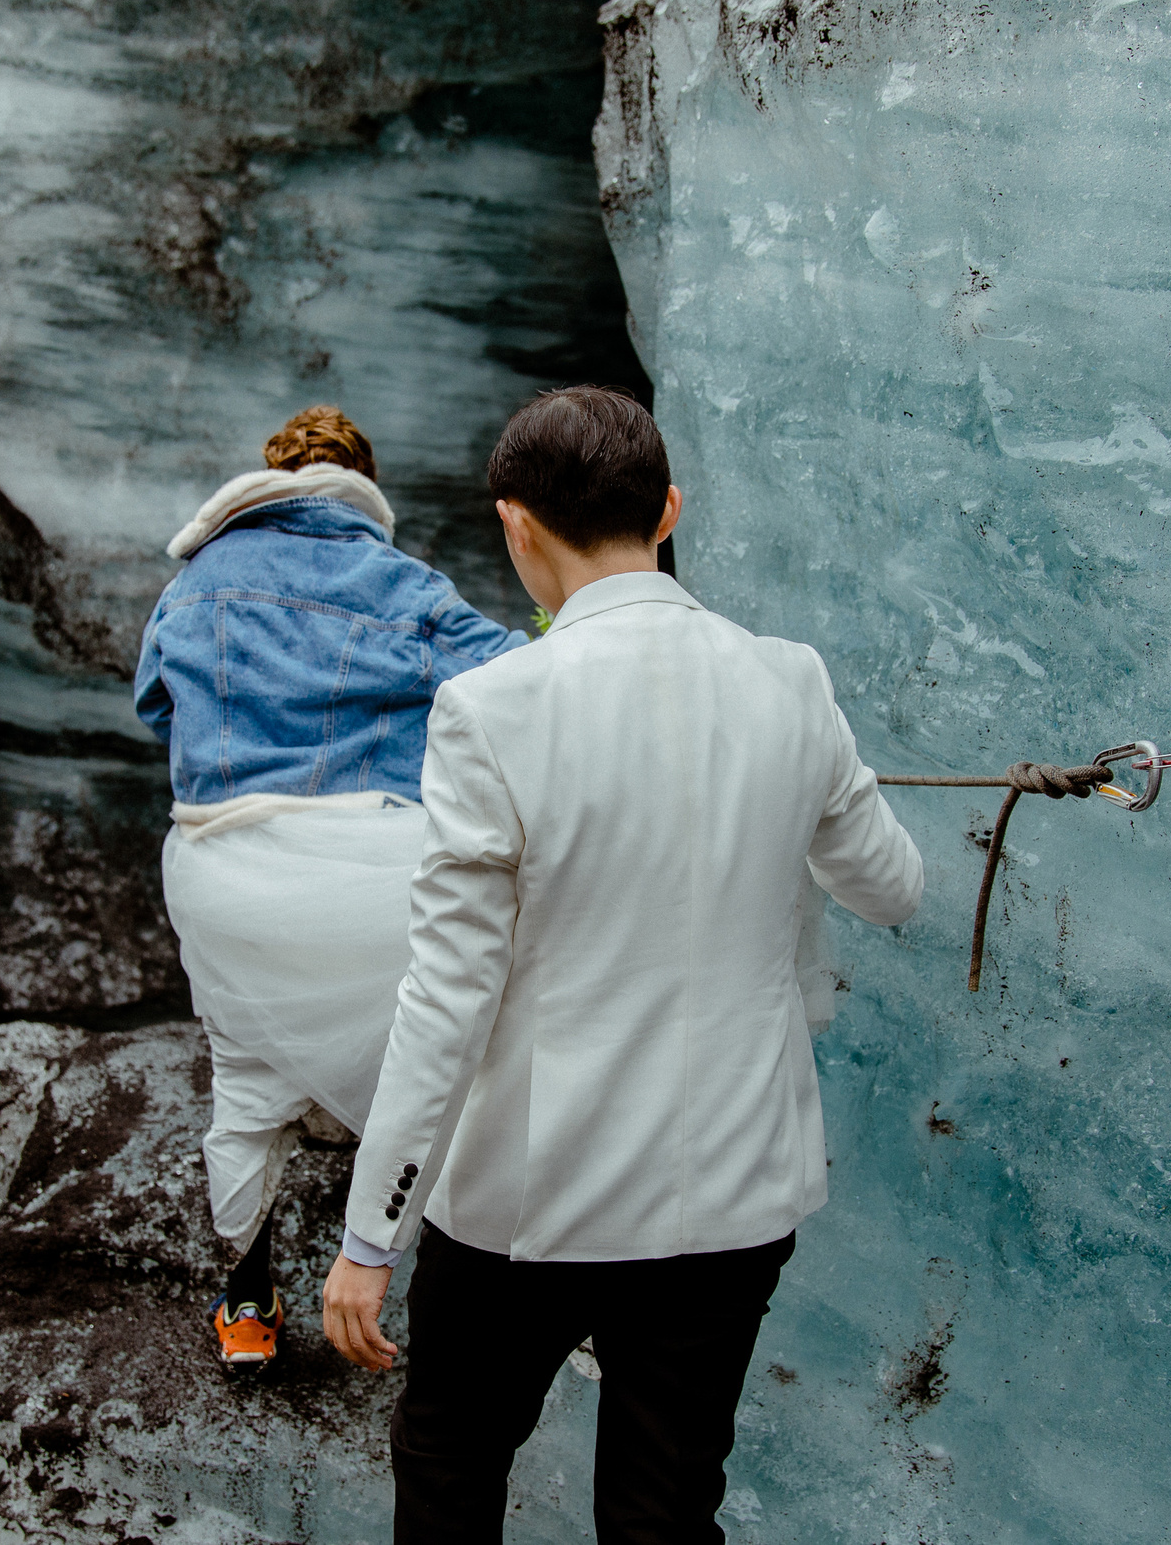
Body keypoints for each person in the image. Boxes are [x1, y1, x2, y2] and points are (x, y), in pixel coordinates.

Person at [320, 386, 925, 1542]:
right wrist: (815, 782)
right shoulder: (791, 681)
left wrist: (369, 1240)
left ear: (516, 526)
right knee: (663, 1506)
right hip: (729, 1197)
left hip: (532, 1204)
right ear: (669, 511)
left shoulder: (488, 710)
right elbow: (890, 889)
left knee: (449, 1460)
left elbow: (445, 1001)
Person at [135, 404, 523, 1370]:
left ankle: (248, 1309)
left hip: (220, 874)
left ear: (273, 475)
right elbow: (520, 678)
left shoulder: (191, 586)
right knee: (442, 1051)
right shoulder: (400, 582)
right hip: (368, 879)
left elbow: (154, 707)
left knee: (244, 1078)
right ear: (363, 482)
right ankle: (446, 1276)